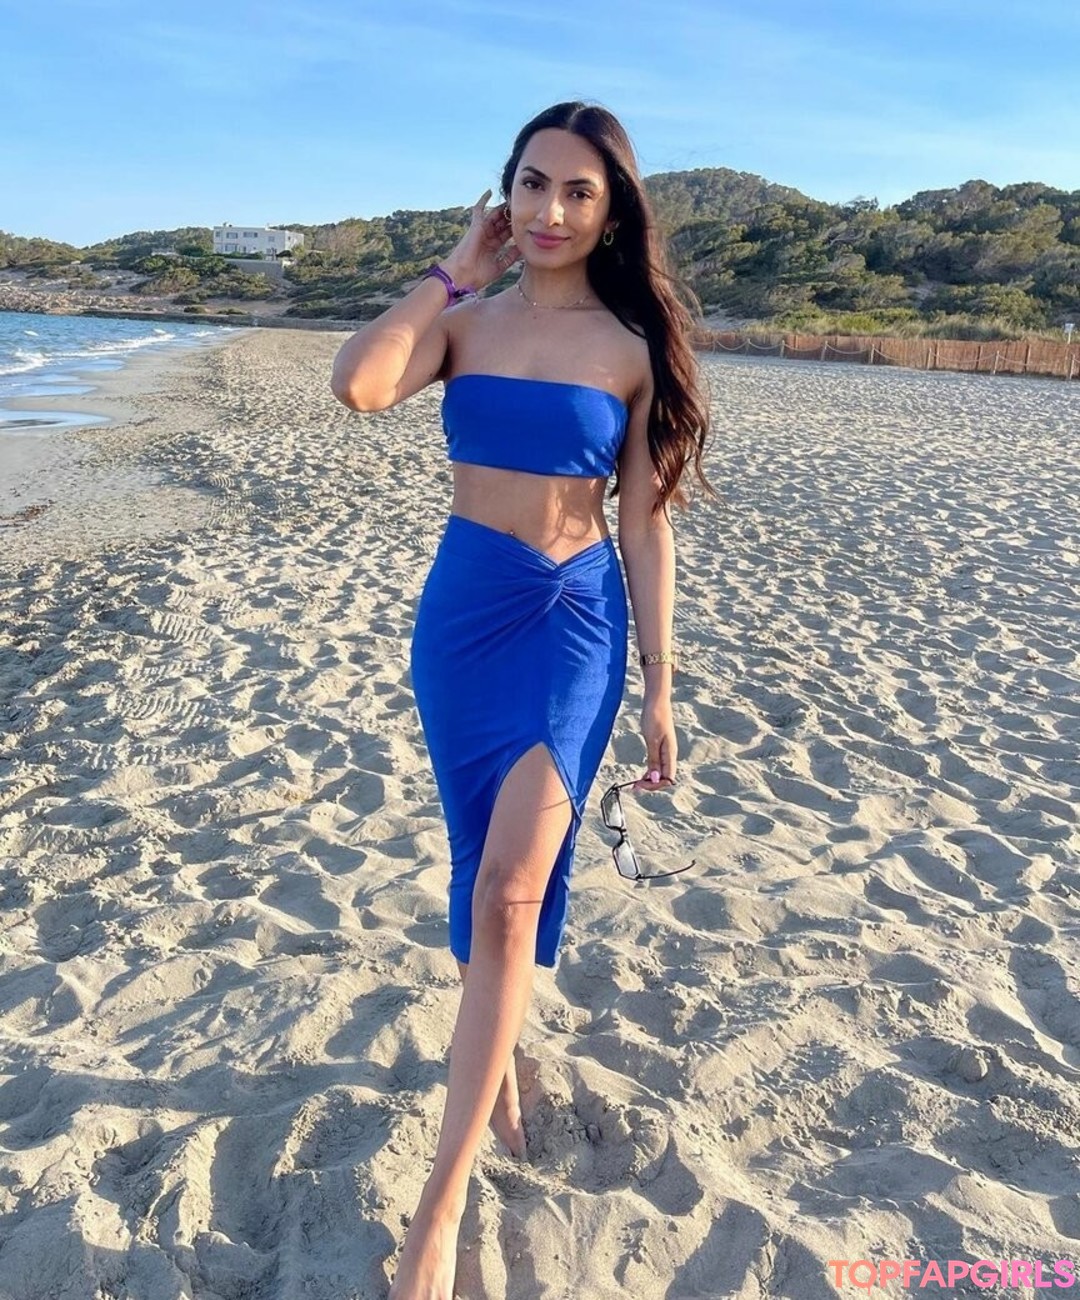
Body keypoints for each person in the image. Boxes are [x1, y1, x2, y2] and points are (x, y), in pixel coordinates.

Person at [331, 99, 714, 1300]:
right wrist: (455, 269)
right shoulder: (466, 324)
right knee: (476, 869)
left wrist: (660, 685)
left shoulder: (630, 347)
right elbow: (359, 385)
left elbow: (644, 526)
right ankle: (491, 1055)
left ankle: (440, 1207)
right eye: (533, 184)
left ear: (612, 210)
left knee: (509, 889)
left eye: (577, 191)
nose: (551, 209)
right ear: (506, 193)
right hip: (463, 617)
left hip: (574, 623)